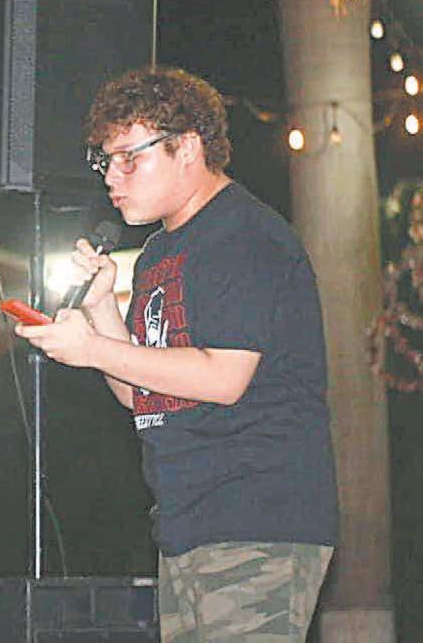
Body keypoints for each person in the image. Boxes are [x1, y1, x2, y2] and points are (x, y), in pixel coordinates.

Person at [17, 66, 337, 641]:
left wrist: (92, 348)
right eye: (104, 161)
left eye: (128, 158)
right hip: (187, 522)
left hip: (256, 517)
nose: (111, 177)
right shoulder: (156, 253)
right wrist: (102, 310)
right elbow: (139, 393)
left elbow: (223, 378)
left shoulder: (244, 236)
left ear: (187, 147)